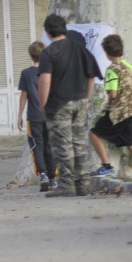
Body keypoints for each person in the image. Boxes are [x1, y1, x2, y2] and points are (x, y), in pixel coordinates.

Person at [38, 14, 97, 197]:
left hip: (58, 104)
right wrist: (86, 99)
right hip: (80, 101)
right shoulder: (80, 49)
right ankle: (83, 184)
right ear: (65, 29)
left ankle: (67, 184)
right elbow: (92, 76)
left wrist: (42, 103)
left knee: (62, 144)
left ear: (47, 33)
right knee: (79, 143)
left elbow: (45, 81)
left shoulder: (48, 53)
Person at [88, 35, 132, 181]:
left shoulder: (111, 70)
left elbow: (113, 94)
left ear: (106, 53)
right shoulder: (130, 67)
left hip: (118, 112)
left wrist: (110, 103)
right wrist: (128, 95)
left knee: (94, 133)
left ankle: (107, 167)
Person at [17, 41, 56, 192]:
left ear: (30, 55)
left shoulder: (26, 73)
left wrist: (19, 116)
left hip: (34, 116)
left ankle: (43, 175)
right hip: (51, 116)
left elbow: (23, 95)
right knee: (50, 146)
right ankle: (53, 178)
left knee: (36, 146)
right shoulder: (51, 71)